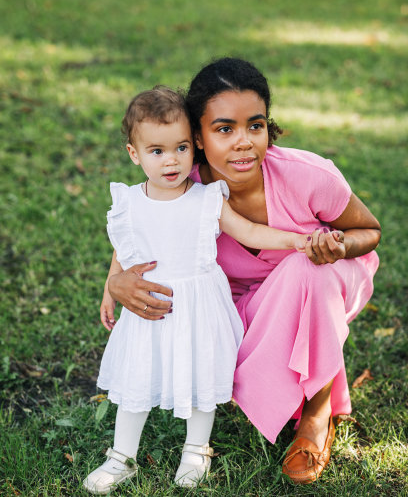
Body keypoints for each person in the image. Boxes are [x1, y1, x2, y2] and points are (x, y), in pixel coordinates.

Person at [107, 59, 381, 486]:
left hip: (326, 283)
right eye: (223, 129)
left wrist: (338, 245)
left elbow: (369, 229)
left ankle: (317, 411)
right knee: (210, 325)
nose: (243, 143)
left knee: (305, 267)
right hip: (238, 300)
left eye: (255, 126)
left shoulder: (307, 176)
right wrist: (116, 280)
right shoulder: (185, 188)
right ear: (196, 137)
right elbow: (138, 235)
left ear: (268, 126)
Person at [83, 86, 316, 494]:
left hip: (198, 308)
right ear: (134, 154)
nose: (170, 160)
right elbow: (124, 251)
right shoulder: (129, 203)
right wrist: (109, 290)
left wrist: (295, 240)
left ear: (194, 147)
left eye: (180, 148)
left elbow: (249, 230)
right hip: (149, 306)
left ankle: (196, 447)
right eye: (156, 151)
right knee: (137, 379)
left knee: (199, 375)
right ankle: (121, 456)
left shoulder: (207, 199)